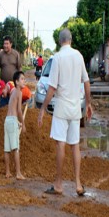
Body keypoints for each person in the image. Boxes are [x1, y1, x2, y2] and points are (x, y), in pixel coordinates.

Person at [37, 28, 92, 196]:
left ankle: (59, 184)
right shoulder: (79, 56)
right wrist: (88, 103)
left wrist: (43, 108)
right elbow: (87, 82)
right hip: (75, 108)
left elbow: (52, 87)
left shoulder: (57, 58)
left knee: (60, 144)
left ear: (59, 41)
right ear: (71, 39)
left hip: (61, 108)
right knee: (74, 145)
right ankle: (78, 183)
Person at [4, 71, 26, 180]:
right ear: (16, 82)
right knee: (16, 148)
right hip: (12, 121)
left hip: (7, 121)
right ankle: (18, 173)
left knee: (7, 149)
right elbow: (19, 111)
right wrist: (23, 123)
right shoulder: (19, 92)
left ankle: (7, 172)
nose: (24, 81)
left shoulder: (12, 92)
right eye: (22, 79)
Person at [0, 35, 22, 108]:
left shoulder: (16, 54)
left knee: (13, 106)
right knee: (3, 107)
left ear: (11, 44)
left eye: (7, 44)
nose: (5, 46)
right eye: (4, 44)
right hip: (4, 86)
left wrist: (20, 82)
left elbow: (20, 68)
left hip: (14, 86)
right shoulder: (1, 55)